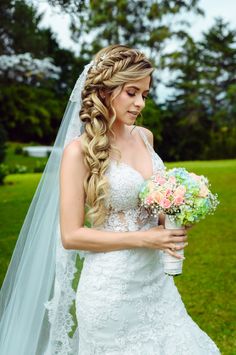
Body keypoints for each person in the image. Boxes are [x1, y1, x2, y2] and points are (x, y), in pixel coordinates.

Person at [0, 45, 221, 355]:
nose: (140, 103)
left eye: (144, 94)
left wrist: (176, 215)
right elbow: (71, 235)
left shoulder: (145, 137)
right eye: (132, 92)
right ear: (105, 90)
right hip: (111, 292)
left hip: (157, 284)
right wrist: (146, 240)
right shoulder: (79, 151)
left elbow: (152, 208)